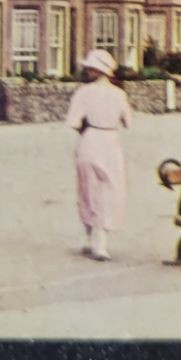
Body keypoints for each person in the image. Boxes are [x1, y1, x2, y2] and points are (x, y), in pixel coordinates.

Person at [63, 49, 133, 260]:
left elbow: (73, 121)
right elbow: (128, 122)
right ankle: (101, 242)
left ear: (95, 70)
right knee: (109, 189)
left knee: (87, 189)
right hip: (111, 141)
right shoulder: (120, 94)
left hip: (90, 139)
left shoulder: (84, 93)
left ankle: (91, 240)